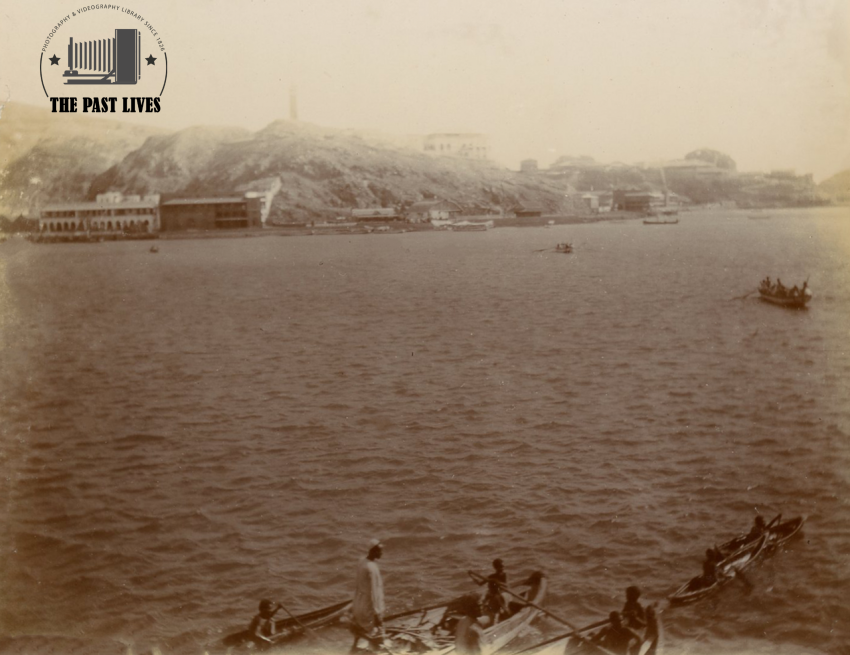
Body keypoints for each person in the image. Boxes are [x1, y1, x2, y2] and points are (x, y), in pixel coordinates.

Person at [350, 539, 385, 652]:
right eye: (379, 551)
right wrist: (377, 614)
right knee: (378, 636)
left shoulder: (361, 562)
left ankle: (353, 650)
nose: (381, 553)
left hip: (359, 605)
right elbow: (374, 593)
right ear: (373, 551)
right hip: (368, 609)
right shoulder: (372, 568)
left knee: (359, 631)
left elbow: (357, 586)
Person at [479, 559, 509, 625]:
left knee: (498, 601)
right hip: (491, 594)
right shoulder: (491, 576)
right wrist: (471, 575)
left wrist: (498, 582)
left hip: (499, 595)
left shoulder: (503, 575)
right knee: (482, 602)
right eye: (501, 567)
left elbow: (506, 586)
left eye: (503, 566)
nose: (502, 568)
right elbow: (480, 583)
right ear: (496, 568)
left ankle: (504, 613)